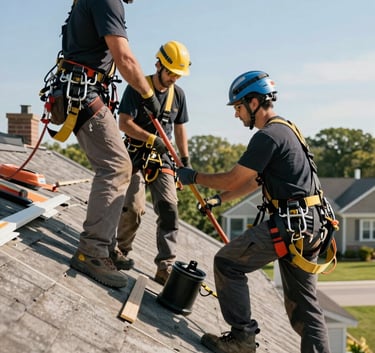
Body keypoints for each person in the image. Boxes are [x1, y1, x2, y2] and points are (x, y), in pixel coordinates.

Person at [177, 71, 335, 353]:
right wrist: (219, 200)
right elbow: (252, 181)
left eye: (238, 107)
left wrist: (195, 176)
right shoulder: (288, 130)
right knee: (306, 309)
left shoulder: (268, 136)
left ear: (253, 102)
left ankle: (242, 338)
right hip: (310, 226)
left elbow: (233, 177)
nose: (236, 115)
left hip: (291, 226)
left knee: (228, 263)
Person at [58, 0, 161, 288]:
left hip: (79, 90)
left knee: (118, 167)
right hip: (83, 92)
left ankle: (104, 244)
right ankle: (92, 251)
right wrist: (147, 93)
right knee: (117, 166)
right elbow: (124, 58)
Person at [116, 40, 191, 285]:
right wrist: (150, 138)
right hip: (136, 154)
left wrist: (184, 160)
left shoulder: (178, 94)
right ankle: (120, 251)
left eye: (178, 75)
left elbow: (179, 129)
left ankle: (165, 266)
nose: (174, 78)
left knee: (169, 207)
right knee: (134, 208)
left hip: (163, 157)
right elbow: (124, 123)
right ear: (158, 65)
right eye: (171, 73)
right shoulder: (137, 87)